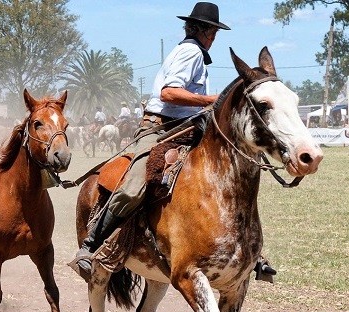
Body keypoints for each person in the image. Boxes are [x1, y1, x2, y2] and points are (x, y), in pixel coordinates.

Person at [68, 2, 283, 281]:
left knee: (231, 177)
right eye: (214, 32)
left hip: (189, 127)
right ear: (209, 33)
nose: (214, 38)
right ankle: (91, 245)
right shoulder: (190, 52)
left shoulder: (196, 54)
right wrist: (211, 101)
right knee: (134, 185)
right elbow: (169, 93)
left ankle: (244, 251)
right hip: (162, 128)